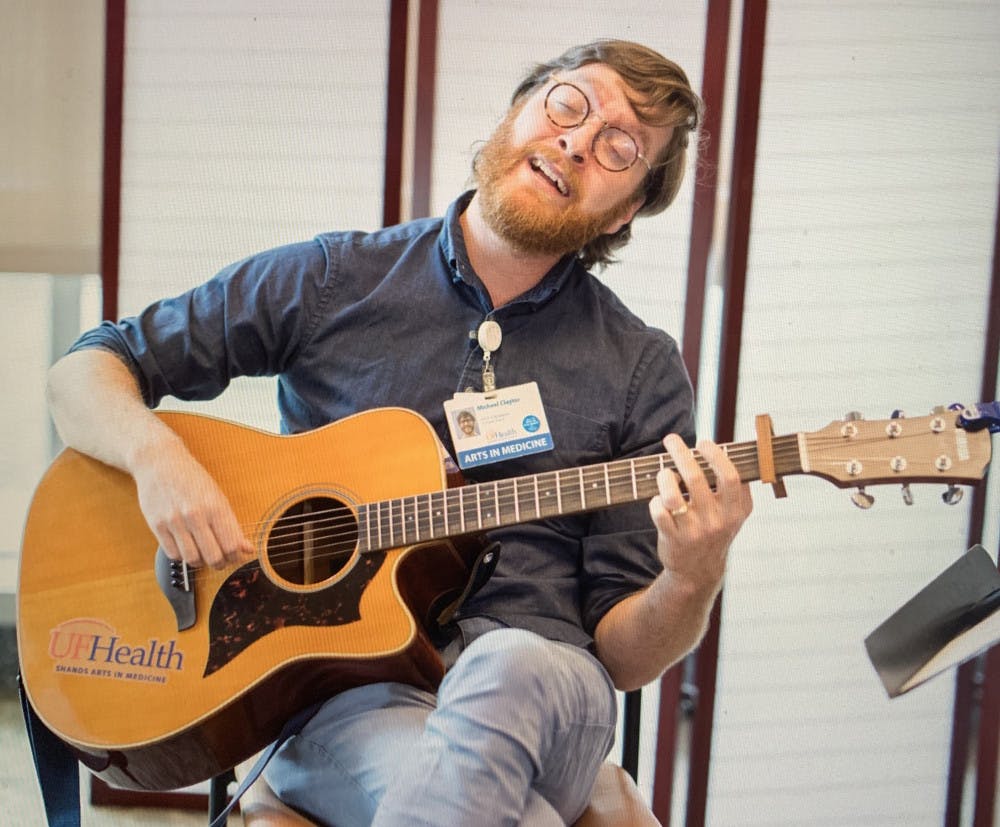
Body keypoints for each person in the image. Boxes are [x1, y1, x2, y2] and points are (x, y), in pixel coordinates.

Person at [47, 38, 752, 827]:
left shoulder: (642, 367)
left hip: (549, 686)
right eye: (568, 104)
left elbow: (624, 654)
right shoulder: (330, 280)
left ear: (623, 211)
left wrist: (692, 577)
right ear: (516, 111)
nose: (577, 143)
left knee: (506, 662)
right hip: (348, 698)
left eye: (619, 150)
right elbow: (86, 371)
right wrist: (156, 459)